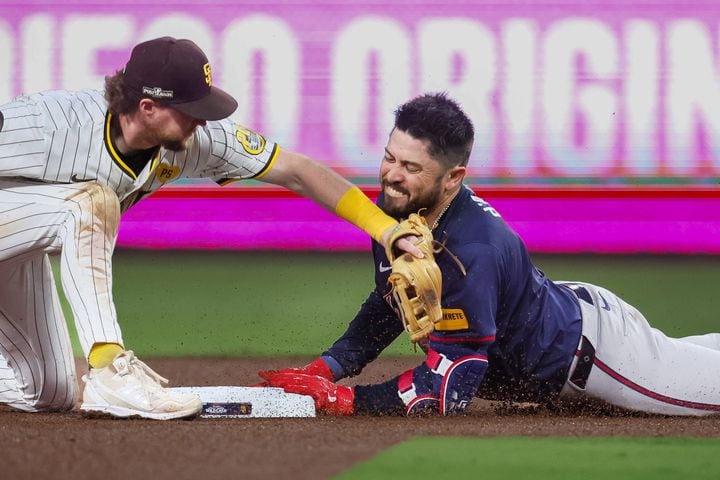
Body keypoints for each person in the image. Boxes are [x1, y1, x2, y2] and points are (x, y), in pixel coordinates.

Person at [0, 36, 421, 420]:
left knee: (47, 391)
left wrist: (385, 229)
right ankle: (110, 367)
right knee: (90, 202)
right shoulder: (49, 124)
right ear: (148, 108)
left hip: (24, 240)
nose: (201, 121)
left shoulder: (193, 140)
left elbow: (297, 171)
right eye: (190, 111)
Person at [259, 92, 720, 417]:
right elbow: (390, 302)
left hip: (602, 355)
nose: (391, 176)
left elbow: (448, 391)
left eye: (411, 167)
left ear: (454, 177)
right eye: (389, 157)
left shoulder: (467, 252)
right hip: (564, 313)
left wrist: (343, 400)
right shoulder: (397, 212)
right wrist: (326, 368)